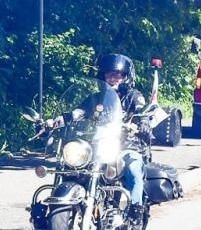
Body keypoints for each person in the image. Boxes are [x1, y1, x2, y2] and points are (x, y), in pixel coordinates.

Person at [45, 53, 149, 216]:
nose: (114, 77)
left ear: (126, 77)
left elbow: (142, 112)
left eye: (118, 74)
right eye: (109, 73)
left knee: (134, 169)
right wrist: (53, 122)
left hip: (127, 146)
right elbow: (77, 113)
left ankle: (135, 212)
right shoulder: (97, 98)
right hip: (98, 145)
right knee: (71, 166)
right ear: (103, 75)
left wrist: (143, 123)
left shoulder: (134, 96)